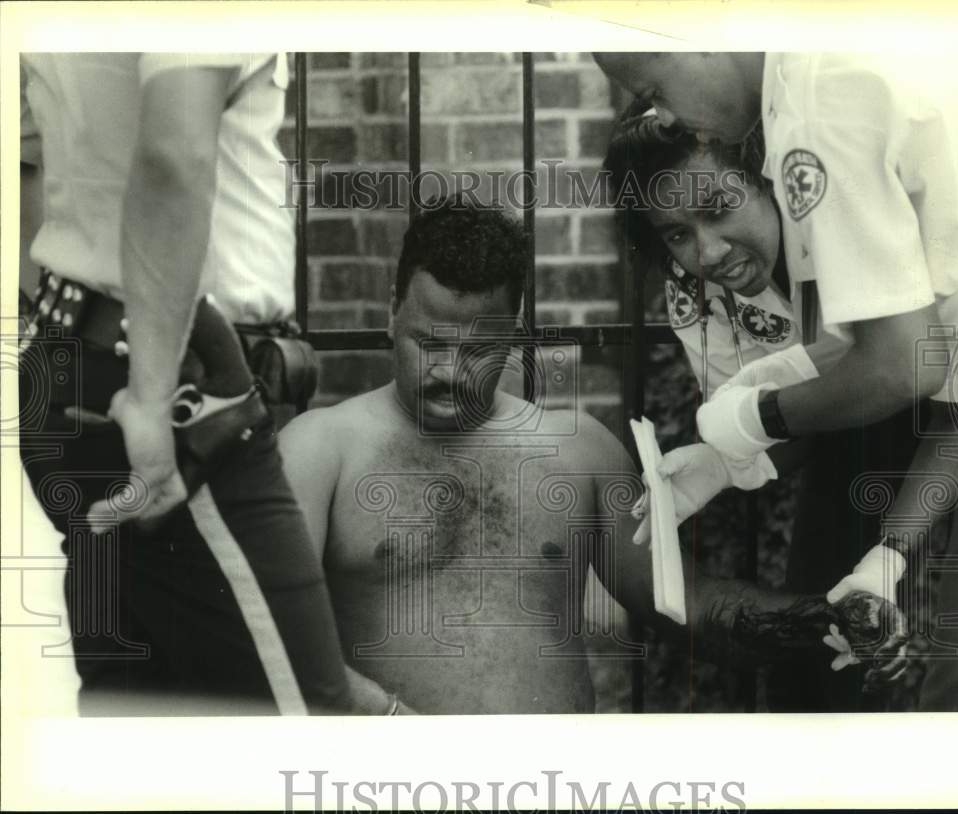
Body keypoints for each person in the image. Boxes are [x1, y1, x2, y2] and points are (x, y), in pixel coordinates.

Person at [278, 198, 910, 714]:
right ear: (392, 316)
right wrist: (384, 722)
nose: (448, 372)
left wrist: (829, 617)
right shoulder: (319, 450)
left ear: (514, 336)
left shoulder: (577, 451)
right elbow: (263, 633)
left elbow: (692, 607)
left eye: (476, 350)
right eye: (427, 343)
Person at [595, 52, 958, 711]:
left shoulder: (824, 159)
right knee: (830, 654)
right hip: (877, 412)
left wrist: (747, 427)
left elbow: (930, 386)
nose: (709, 251)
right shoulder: (698, 299)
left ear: (762, 176)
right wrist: (726, 462)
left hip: (945, 387)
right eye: (677, 236)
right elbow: (819, 408)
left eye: (720, 207)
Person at [18, 53, 397, 715]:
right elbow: (173, 154)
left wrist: (72, 330)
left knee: (148, 733)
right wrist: (151, 395)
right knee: (302, 730)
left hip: (96, 362)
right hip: (172, 394)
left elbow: (26, 162)